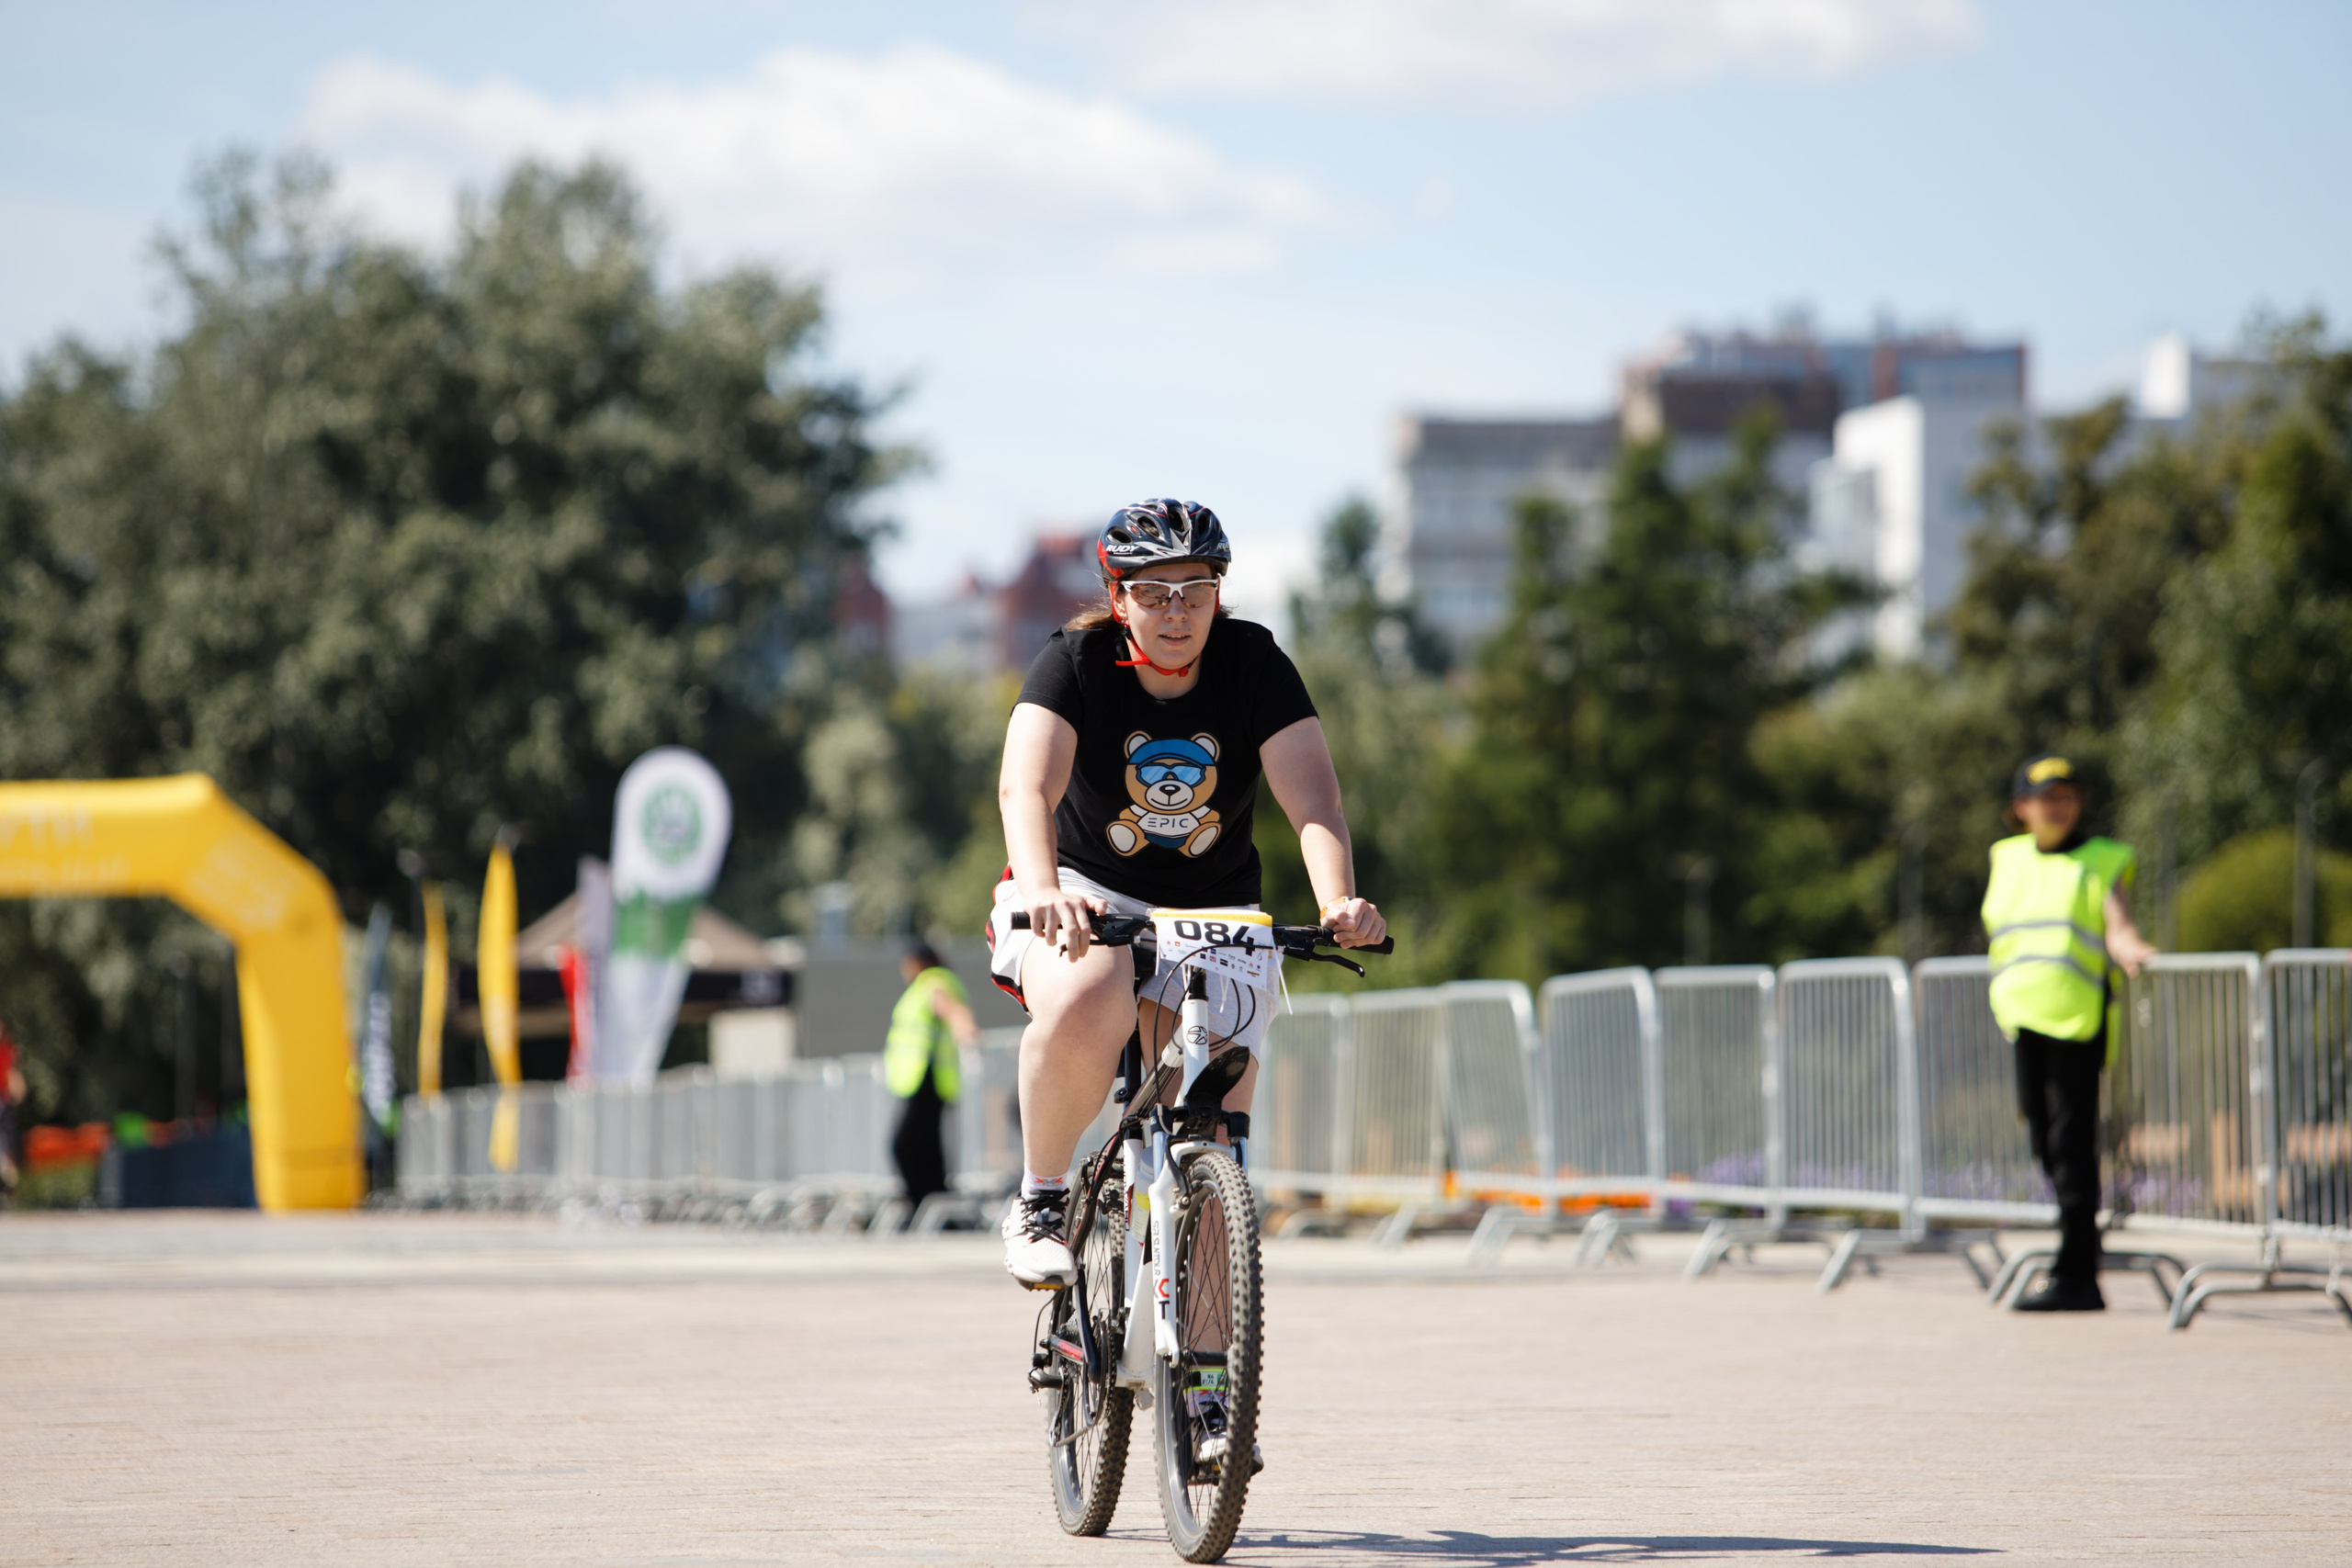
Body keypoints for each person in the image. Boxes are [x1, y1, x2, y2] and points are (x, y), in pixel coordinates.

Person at [988, 497, 1386, 1295]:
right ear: (1117, 596)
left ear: (1219, 594)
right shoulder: (1073, 660)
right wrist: (1045, 893)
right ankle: (1040, 1198)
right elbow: (1024, 788)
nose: (1178, 611)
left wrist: (1339, 900)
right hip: (1082, 890)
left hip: (1214, 911)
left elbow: (1314, 803)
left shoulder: (1254, 662)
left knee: (1209, 1134)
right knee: (1093, 990)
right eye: (1155, 591)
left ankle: (1209, 1403)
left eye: (1196, 589)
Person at [1982, 753, 2157, 1313]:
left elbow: (2117, 923)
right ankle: (2073, 1260)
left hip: (2076, 1023)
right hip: (2022, 1018)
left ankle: (2078, 1273)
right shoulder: (2006, 858)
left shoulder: (2100, 860)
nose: (2059, 806)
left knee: (2071, 1148)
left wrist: (2127, 943)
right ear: (2020, 808)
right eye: (2046, 796)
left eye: (2068, 795)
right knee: (2045, 1145)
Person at [886, 942, 979, 1213]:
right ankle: (936, 1203)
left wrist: (965, 1027)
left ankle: (926, 1202)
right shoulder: (924, 986)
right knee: (927, 1148)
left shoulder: (933, 981)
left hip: (927, 1079)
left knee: (904, 1145)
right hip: (919, 1081)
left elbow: (951, 1009)